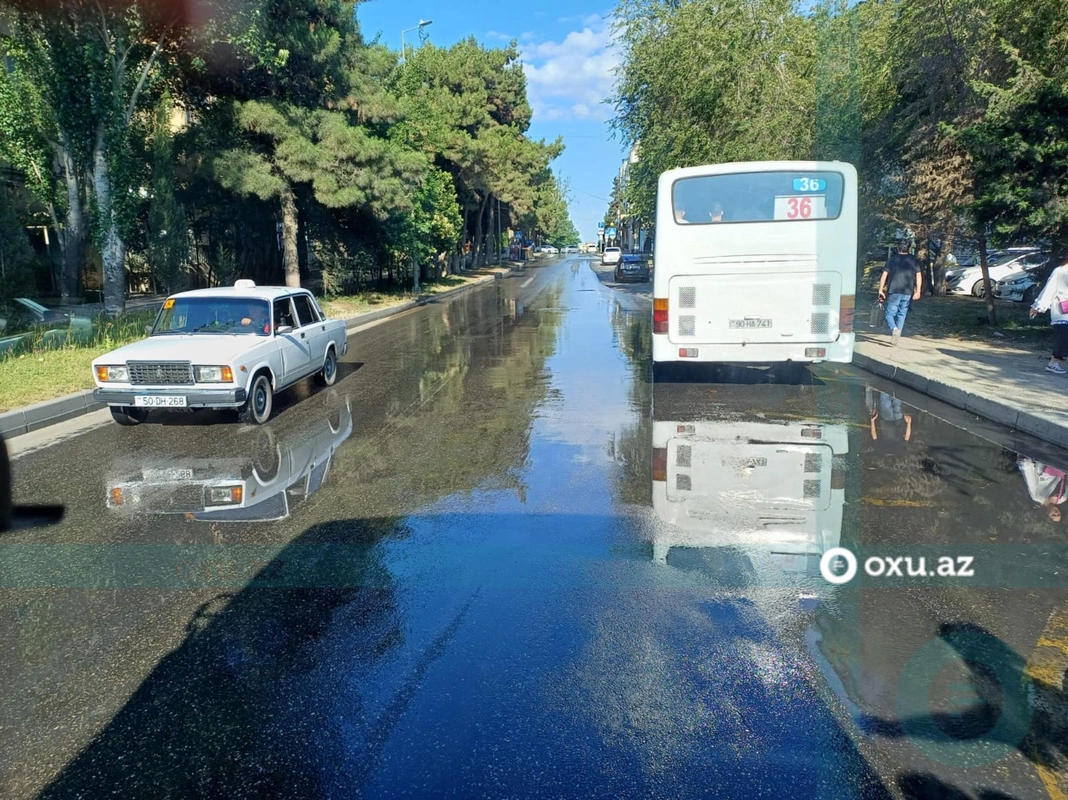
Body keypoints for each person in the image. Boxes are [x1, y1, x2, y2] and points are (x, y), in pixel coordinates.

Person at [878, 237, 923, 345]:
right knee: (902, 315)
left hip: (894, 290)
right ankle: (897, 335)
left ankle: (894, 329)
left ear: (898, 247)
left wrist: (880, 289)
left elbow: (884, 275)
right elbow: (919, 276)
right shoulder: (913, 260)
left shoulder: (892, 259)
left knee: (889, 314)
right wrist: (918, 291)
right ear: (909, 247)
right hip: (908, 291)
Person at [1029, 261, 1068, 374]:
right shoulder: (1060, 271)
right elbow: (1049, 289)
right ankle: (1053, 363)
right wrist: (1038, 306)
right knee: (1063, 337)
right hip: (1062, 309)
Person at [1017, 456, 1067, 522]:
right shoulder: (1063, 498)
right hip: (1062, 462)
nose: (1056, 513)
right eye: (1058, 514)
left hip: (1044, 461)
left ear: (1047, 514)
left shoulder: (1038, 497)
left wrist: (1025, 463)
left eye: (1054, 515)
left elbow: (1031, 480)